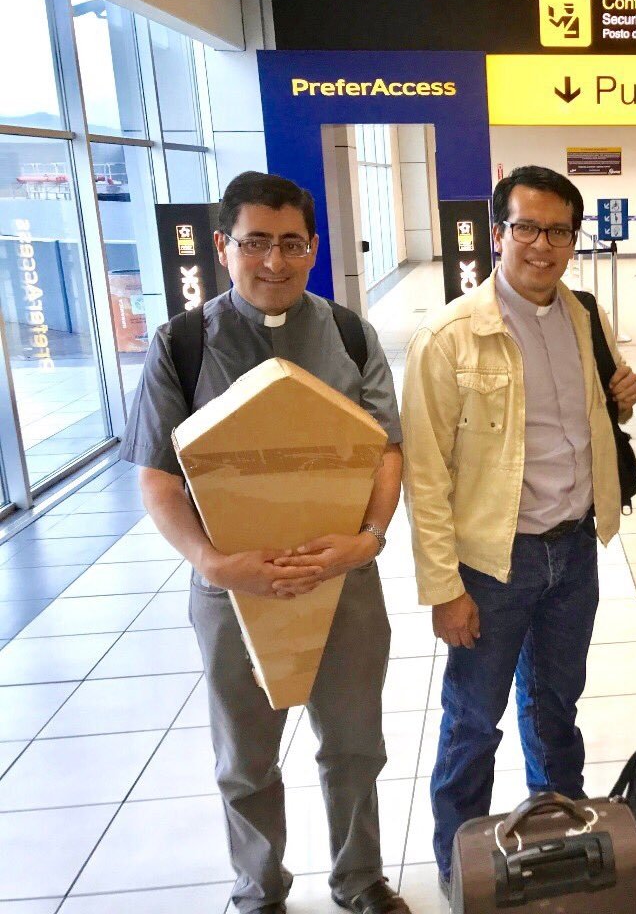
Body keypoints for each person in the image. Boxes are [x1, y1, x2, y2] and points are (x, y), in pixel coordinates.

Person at [122, 172, 411, 914]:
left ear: (313, 248)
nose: (274, 262)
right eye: (255, 243)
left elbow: (386, 449)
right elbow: (156, 477)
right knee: (245, 757)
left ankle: (359, 878)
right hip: (230, 586)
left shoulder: (349, 335)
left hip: (342, 577)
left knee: (355, 745)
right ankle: (259, 888)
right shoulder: (182, 344)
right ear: (223, 246)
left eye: (291, 244)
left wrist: (369, 539)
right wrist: (215, 563)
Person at [400, 165, 636, 893]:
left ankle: (561, 842)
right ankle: (459, 867)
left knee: (556, 708)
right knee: (474, 720)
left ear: (574, 239)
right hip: (492, 563)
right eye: (527, 228)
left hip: (573, 548)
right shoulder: (449, 337)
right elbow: (424, 474)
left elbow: (597, 415)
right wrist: (444, 588)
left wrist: (623, 398)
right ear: (498, 234)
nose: (543, 245)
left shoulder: (585, 315)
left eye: (559, 231)